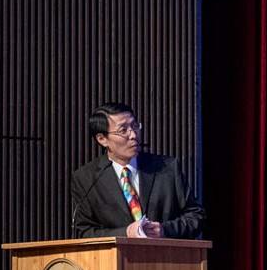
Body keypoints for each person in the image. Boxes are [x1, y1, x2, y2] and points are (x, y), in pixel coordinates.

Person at [71, 102, 205, 239]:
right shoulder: (87, 179)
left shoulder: (167, 168)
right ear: (102, 139)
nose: (133, 135)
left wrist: (165, 230)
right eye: (123, 130)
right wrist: (125, 233)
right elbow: (84, 232)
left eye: (135, 126)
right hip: (116, 258)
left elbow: (196, 216)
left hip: (166, 256)